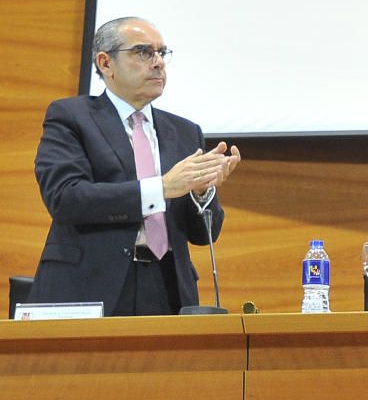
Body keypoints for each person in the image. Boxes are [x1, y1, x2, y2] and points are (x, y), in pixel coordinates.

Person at [28, 17, 241, 315]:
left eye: (161, 53)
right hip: (91, 285)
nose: (158, 63)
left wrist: (201, 192)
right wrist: (162, 187)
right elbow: (66, 199)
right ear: (106, 62)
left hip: (168, 287)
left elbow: (204, 235)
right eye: (143, 52)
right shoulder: (71, 117)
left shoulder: (184, 131)